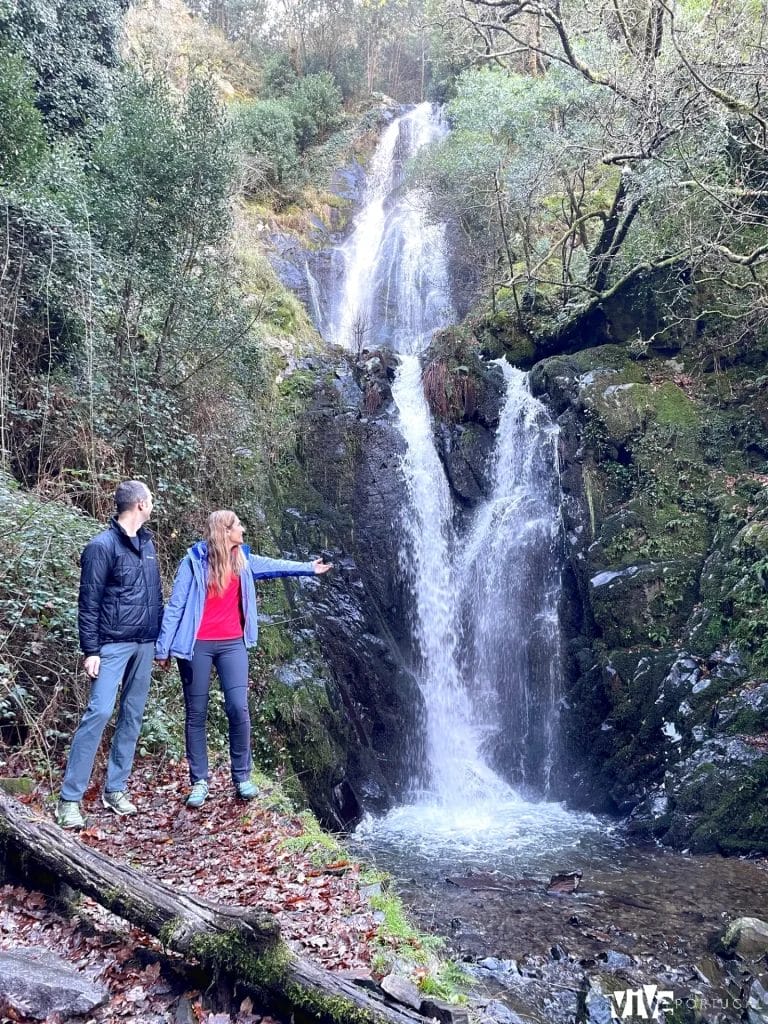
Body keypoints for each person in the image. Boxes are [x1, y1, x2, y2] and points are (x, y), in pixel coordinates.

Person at [155, 510, 331, 807]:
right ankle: (199, 781)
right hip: (197, 646)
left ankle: (242, 777)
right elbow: (175, 606)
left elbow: (276, 567)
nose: (243, 529)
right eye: (238, 525)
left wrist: (308, 568)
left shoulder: (243, 560)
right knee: (196, 713)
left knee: (239, 707)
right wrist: (163, 648)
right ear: (224, 531)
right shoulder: (194, 562)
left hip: (232, 643)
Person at [57, 480, 163, 829]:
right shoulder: (101, 547)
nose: (152, 504)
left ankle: (115, 789)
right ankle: (69, 800)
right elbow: (88, 602)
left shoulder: (148, 545)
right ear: (140, 505)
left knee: (131, 717)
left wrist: (159, 642)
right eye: (150, 500)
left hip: (144, 644)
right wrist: (91, 650)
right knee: (99, 712)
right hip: (112, 646)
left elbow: (155, 597)